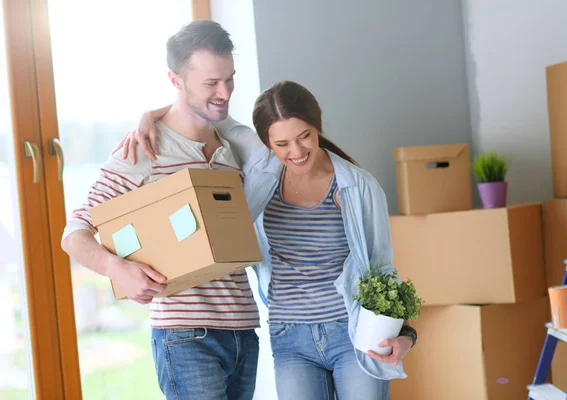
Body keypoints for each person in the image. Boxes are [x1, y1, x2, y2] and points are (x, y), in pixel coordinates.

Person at [122, 81, 417, 399]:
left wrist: (406, 336)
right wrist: (150, 116)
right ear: (267, 144)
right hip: (289, 337)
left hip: (350, 331)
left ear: (317, 126)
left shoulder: (357, 187)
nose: (297, 151)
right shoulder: (262, 175)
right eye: (282, 144)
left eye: (304, 136)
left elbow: (381, 268)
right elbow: (211, 116)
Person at [61, 20, 262, 400]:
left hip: (242, 330)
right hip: (186, 336)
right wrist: (117, 268)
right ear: (176, 80)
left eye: (230, 79)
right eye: (211, 83)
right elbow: (74, 233)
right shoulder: (144, 150)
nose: (225, 92)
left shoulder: (232, 149)